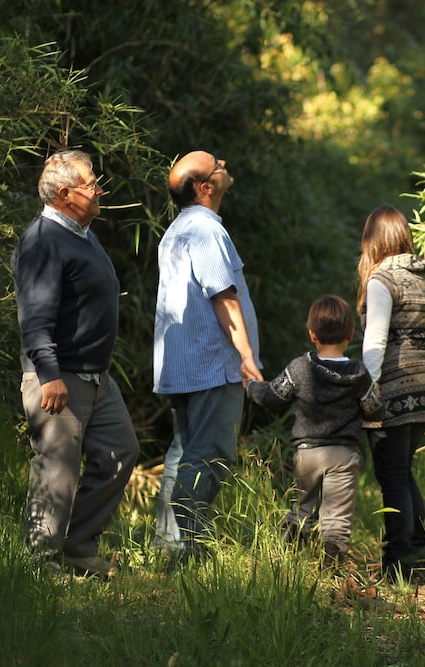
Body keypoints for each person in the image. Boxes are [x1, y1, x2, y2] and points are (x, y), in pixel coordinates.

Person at [12, 149, 140, 579]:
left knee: (121, 453)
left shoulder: (83, 233)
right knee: (57, 470)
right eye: (90, 184)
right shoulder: (43, 239)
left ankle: (78, 545)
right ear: (65, 194)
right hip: (59, 377)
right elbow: (35, 318)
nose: (99, 189)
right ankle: (40, 563)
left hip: (97, 376)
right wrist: (49, 376)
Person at [153, 150, 263, 561]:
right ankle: (190, 547)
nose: (224, 164)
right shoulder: (206, 230)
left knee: (183, 451)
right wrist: (247, 356)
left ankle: (168, 545)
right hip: (212, 364)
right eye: (219, 163)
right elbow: (224, 296)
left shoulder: (177, 230)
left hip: (182, 366)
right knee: (209, 453)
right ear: (206, 187)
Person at [246, 295, 382, 566]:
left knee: (303, 506)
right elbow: (373, 408)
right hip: (343, 454)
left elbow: (273, 396)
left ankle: (288, 556)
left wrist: (250, 386)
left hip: (307, 453)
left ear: (312, 334)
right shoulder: (359, 373)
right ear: (351, 334)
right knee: (337, 516)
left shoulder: (300, 368)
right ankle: (332, 563)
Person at [356, 204, 425, 583]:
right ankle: (421, 553)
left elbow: (375, 340)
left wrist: (367, 388)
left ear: (373, 241)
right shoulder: (423, 278)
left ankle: (398, 565)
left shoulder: (383, 280)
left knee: (392, 475)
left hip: (393, 389)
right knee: (402, 471)